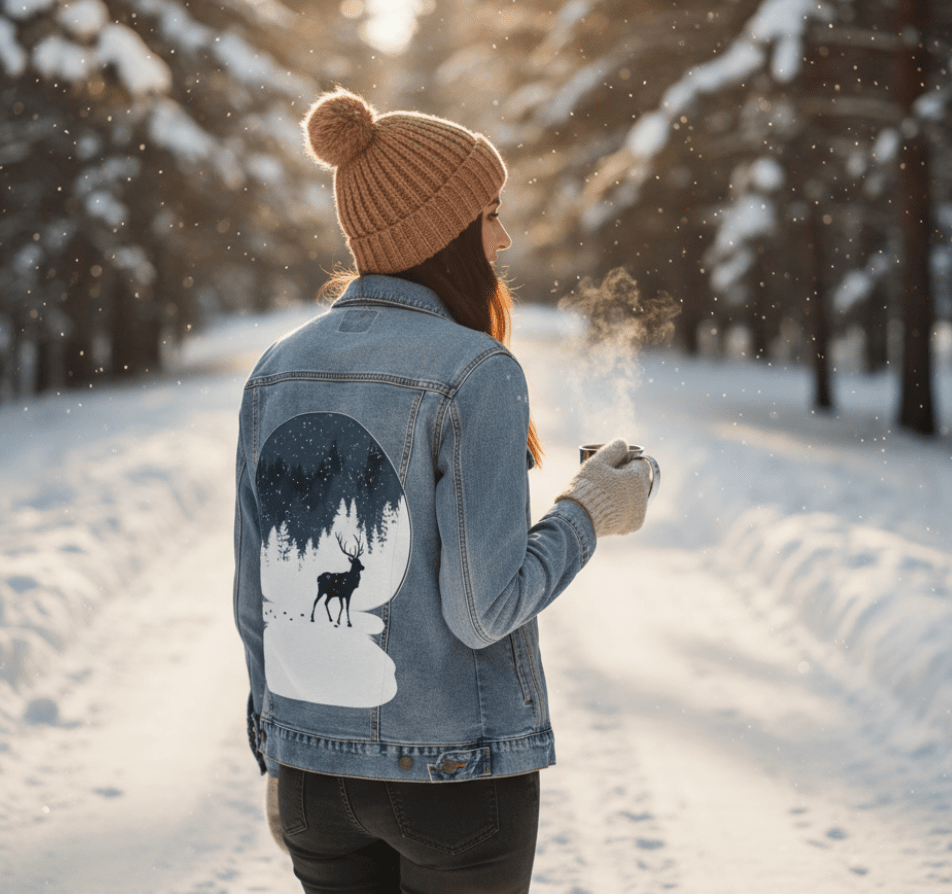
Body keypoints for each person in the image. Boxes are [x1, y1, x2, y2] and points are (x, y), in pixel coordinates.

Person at [233, 88, 652, 894]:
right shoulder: (475, 372)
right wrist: (589, 512)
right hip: (452, 782)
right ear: (442, 231)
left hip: (312, 778)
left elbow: (256, 599)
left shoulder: (275, 369)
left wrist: (281, 748)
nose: (503, 236)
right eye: (489, 212)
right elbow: (482, 608)